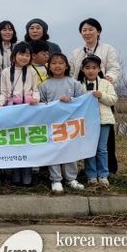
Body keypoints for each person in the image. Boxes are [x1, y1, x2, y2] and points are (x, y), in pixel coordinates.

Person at [69, 18, 121, 174]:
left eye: (91, 29)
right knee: (85, 134)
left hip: (102, 93)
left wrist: (109, 79)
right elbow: (72, 73)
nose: (87, 33)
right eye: (84, 30)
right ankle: (88, 170)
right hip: (83, 96)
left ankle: (108, 169)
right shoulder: (76, 52)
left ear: (98, 31)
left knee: (106, 135)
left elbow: (114, 67)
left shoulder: (107, 49)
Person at [39, 53, 86, 194]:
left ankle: (71, 178)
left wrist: (71, 100)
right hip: (52, 125)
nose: (57, 66)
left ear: (66, 66)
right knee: (53, 152)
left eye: (60, 63)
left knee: (70, 151)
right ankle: (56, 179)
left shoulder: (74, 83)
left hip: (70, 125)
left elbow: (83, 101)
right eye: (53, 63)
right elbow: (41, 104)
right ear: (49, 67)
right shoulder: (44, 85)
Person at [0, 42, 40, 186]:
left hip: (28, 109)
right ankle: (15, 172)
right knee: (14, 141)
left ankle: (27, 173)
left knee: (27, 141)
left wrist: (36, 99)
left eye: (27, 55)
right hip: (12, 109)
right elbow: (3, 93)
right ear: (14, 56)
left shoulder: (32, 72)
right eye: (21, 54)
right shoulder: (6, 72)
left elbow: (35, 90)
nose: (24, 57)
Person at [78, 54, 118, 187]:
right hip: (86, 122)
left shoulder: (106, 84)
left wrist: (101, 95)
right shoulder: (79, 85)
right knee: (89, 148)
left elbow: (113, 99)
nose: (91, 71)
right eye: (87, 68)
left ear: (99, 69)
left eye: (94, 68)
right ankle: (91, 175)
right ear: (82, 69)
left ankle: (103, 175)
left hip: (103, 121)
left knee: (102, 149)